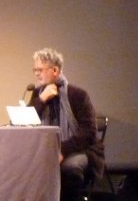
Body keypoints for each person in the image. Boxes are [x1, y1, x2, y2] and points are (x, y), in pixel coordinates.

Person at [29, 48, 105, 201]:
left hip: (80, 150)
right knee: (26, 168)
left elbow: (88, 133)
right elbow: (25, 121)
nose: (36, 74)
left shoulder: (78, 95)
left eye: (40, 70)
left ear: (55, 70)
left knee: (69, 168)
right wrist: (42, 100)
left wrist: (61, 150)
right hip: (48, 151)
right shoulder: (38, 94)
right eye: (35, 70)